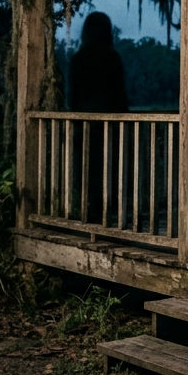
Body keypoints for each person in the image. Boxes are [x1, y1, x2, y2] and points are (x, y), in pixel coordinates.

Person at [68, 12, 129, 224]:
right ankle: (112, 215)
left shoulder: (78, 59)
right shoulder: (112, 59)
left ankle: (92, 215)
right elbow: (119, 95)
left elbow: (73, 98)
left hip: (85, 128)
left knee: (89, 175)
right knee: (112, 172)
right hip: (110, 128)